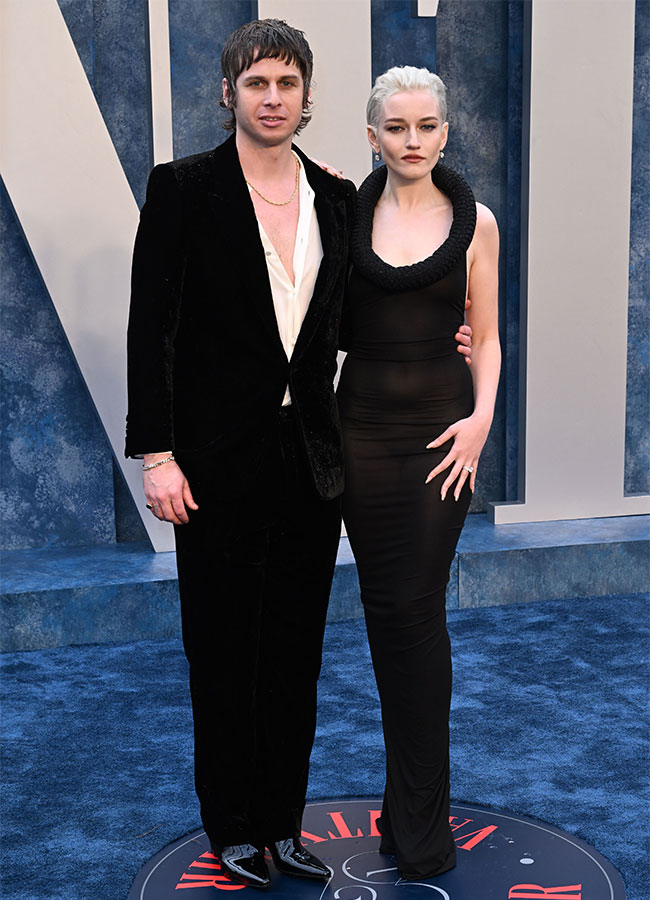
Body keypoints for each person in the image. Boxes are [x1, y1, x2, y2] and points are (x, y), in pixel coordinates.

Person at [126, 19, 472, 889]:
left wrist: (444, 335)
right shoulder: (183, 189)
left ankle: (281, 823)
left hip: (314, 461)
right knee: (222, 646)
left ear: (307, 97)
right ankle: (233, 828)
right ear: (229, 94)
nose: (272, 98)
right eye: (256, 83)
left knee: (293, 650)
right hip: (212, 463)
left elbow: (354, 320)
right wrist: (158, 454)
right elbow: (150, 331)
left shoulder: (334, 195)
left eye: (287, 83)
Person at [338, 66, 501, 881]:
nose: (412, 141)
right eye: (396, 127)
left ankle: (421, 823)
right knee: (384, 615)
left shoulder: (479, 224)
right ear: (373, 136)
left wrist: (480, 419)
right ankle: (403, 815)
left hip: (444, 438)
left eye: (426, 126)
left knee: (414, 610)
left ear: (445, 132)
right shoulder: (343, 216)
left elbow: (490, 336)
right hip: (358, 433)